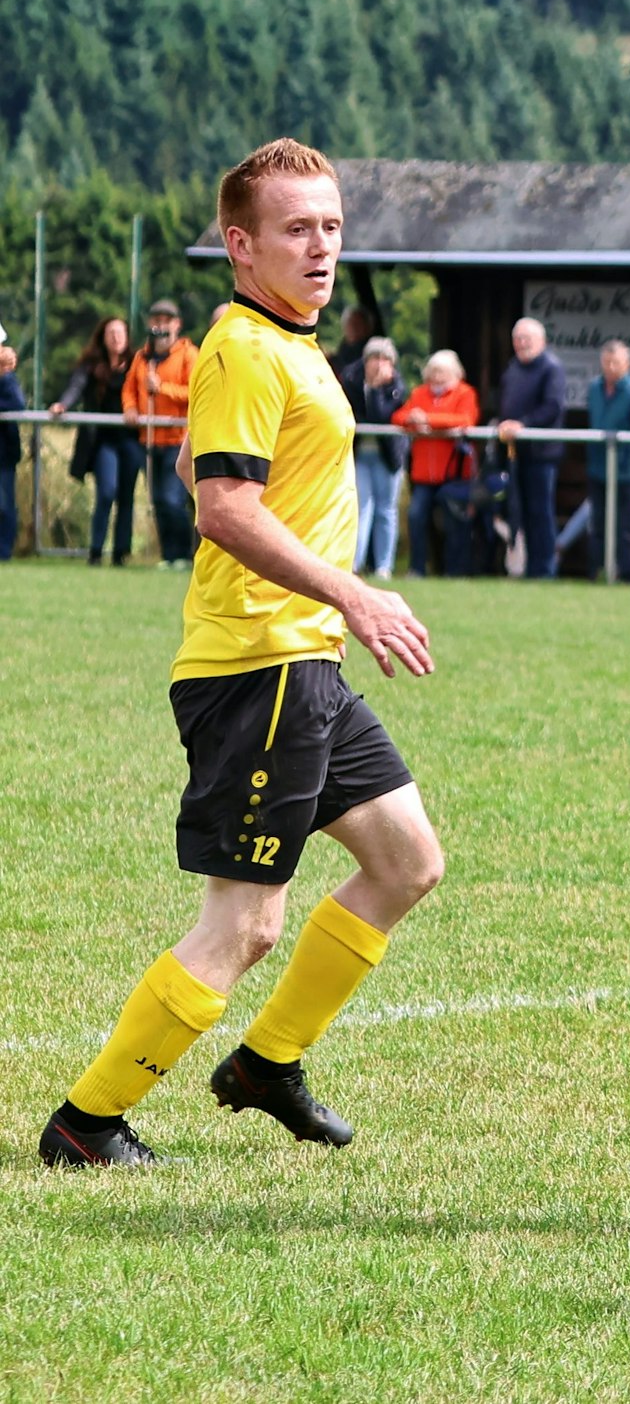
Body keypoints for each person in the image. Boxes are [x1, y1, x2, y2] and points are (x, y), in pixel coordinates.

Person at [39, 137, 443, 1168]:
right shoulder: (245, 347)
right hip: (258, 669)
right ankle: (88, 1124)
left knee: (406, 861)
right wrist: (352, 593)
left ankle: (267, 1064)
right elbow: (222, 508)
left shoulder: (287, 345)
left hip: (302, 666)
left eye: (332, 227)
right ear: (240, 243)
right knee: (246, 924)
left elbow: (197, 461)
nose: (321, 248)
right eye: (297, 229)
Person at [53, 317, 142, 565]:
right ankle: (95, 550)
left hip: (131, 439)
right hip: (104, 440)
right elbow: (76, 386)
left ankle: (120, 553)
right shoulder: (92, 365)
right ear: (103, 337)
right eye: (111, 332)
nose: (116, 337)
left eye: (120, 332)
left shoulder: (137, 362)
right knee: (107, 492)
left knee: (127, 496)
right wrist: (63, 405)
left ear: (127, 336)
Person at [122, 299, 200, 568]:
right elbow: (129, 389)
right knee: (157, 500)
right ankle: (168, 555)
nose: (161, 325)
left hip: (178, 439)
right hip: (150, 439)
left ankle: (183, 554)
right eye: (156, 319)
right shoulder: (142, 357)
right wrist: (131, 408)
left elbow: (196, 392)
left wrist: (163, 387)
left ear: (177, 325)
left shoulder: (189, 355)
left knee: (172, 499)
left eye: (167, 320)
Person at [392, 351, 481, 577]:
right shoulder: (419, 393)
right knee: (416, 517)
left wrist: (428, 420)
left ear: (454, 373)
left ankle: (454, 571)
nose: (437, 377)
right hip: (423, 475)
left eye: (442, 372)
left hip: (453, 474)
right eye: (433, 372)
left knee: (454, 523)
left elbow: (465, 420)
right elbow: (399, 417)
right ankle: (417, 568)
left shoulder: (465, 393)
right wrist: (413, 420)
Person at [495, 317, 566, 579]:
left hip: (542, 454)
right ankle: (525, 568)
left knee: (541, 512)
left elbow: (552, 407)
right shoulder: (513, 368)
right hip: (516, 453)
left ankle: (544, 569)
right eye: (518, 339)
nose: (522, 344)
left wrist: (522, 424)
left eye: (528, 339)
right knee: (519, 511)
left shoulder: (552, 368)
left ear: (542, 341)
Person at [584, 340, 630, 584]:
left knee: (626, 527)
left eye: (616, 362)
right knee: (597, 523)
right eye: (607, 362)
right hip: (598, 466)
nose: (611, 367)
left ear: (627, 364)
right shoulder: (594, 388)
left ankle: (627, 574)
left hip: (627, 469)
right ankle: (596, 571)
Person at [345, 336, 407, 578]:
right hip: (360, 454)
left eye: (385, 359)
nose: (380, 364)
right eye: (375, 358)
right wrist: (368, 387)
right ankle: (354, 563)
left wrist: (377, 389)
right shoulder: (351, 379)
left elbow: (381, 415)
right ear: (366, 360)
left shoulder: (396, 387)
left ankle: (384, 567)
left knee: (386, 510)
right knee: (360, 508)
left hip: (388, 456)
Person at [0, 327, 20, 560]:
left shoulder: (7, 378)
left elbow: (16, 404)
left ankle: (4, 553)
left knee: (4, 505)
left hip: (3, 451)